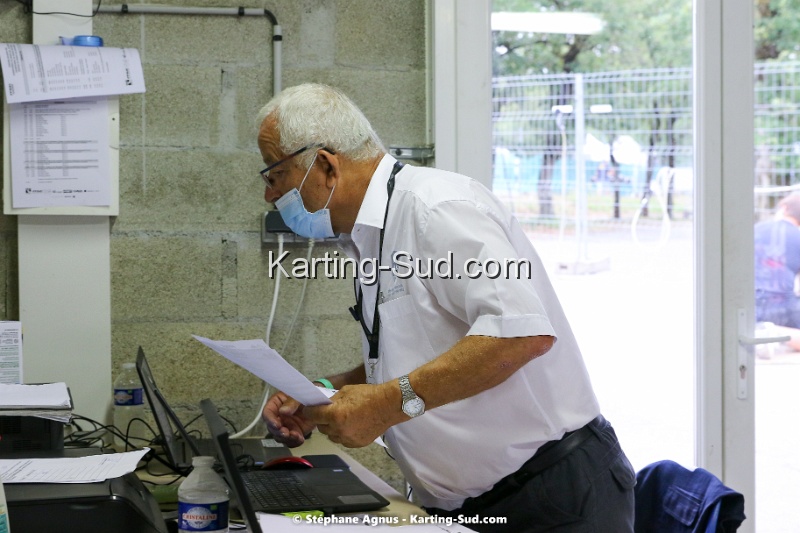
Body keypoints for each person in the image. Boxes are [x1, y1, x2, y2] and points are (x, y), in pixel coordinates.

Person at [257, 83, 635, 532]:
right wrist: (324, 392)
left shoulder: (437, 207)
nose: (269, 196)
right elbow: (424, 348)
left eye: (274, 176)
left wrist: (388, 405)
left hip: (551, 498)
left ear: (324, 165)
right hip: (472, 505)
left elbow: (521, 334)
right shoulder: (370, 237)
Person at [755, 194, 800, 352]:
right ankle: (778, 333)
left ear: (784, 208)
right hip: (783, 306)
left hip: (749, 304)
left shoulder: (756, 230)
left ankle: (758, 330)